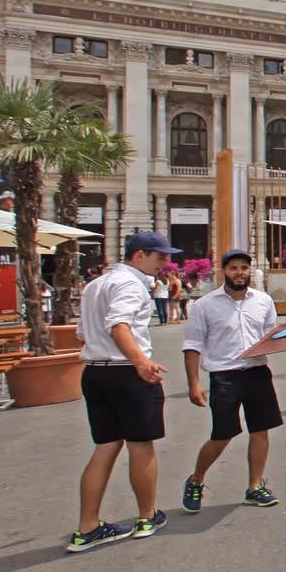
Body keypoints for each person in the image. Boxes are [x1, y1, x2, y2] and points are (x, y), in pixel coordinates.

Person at [66, 232, 177, 552]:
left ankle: (87, 526)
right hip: (126, 372)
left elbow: (81, 333)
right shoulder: (130, 283)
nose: (165, 264)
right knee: (141, 445)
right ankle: (146, 516)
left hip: (96, 372)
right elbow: (119, 325)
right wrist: (140, 362)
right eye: (160, 257)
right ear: (139, 254)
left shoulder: (96, 284)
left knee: (105, 447)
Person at [180, 248, 282, 514]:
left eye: (244, 268)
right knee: (221, 435)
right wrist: (193, 382)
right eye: (234, 268)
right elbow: (192, 345)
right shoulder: (204, 305)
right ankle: (196, 480)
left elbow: (270, 336)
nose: (239, 273)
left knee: (260, 431)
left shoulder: (263, 301)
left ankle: (255, 486)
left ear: (250, 271)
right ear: (224, 271)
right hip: (225, 375)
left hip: (257, 373)